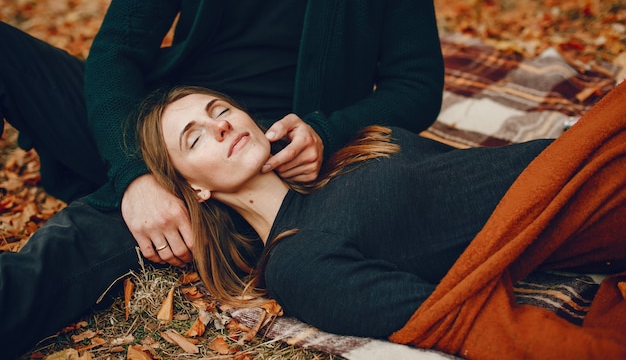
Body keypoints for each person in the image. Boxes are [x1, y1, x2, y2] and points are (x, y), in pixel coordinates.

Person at [0, 0, 444, 357]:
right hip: (162, 113)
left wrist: (327, 131)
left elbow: (416, 85)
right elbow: (117, 51)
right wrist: (134, 173)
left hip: (250, 161)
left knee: (58, 262)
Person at [136, 85, 626, 359]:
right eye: (194, 138)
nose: (220, 124)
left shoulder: (341, 152)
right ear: (193, 188)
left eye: (219, 109)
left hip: (588, 153)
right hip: (600, 203)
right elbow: (456, 321)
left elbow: (477, 175)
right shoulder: (297, 261)